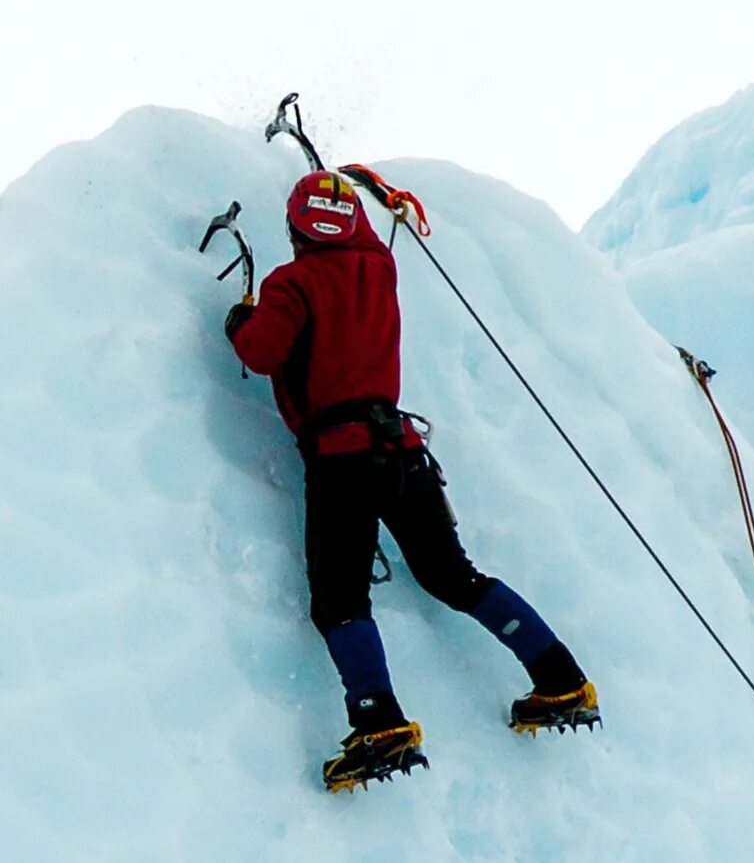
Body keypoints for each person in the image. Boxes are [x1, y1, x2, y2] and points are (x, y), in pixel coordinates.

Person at [224, 170, 599, 790]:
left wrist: (241, 318)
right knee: (456, 576)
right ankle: (560, 678)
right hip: (403, 452)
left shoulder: (293, 283)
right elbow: (366, 241)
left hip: (343, 460)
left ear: (295, 230)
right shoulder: (378, 268)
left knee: (339, 600)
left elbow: (261, 351)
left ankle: (378, 722)